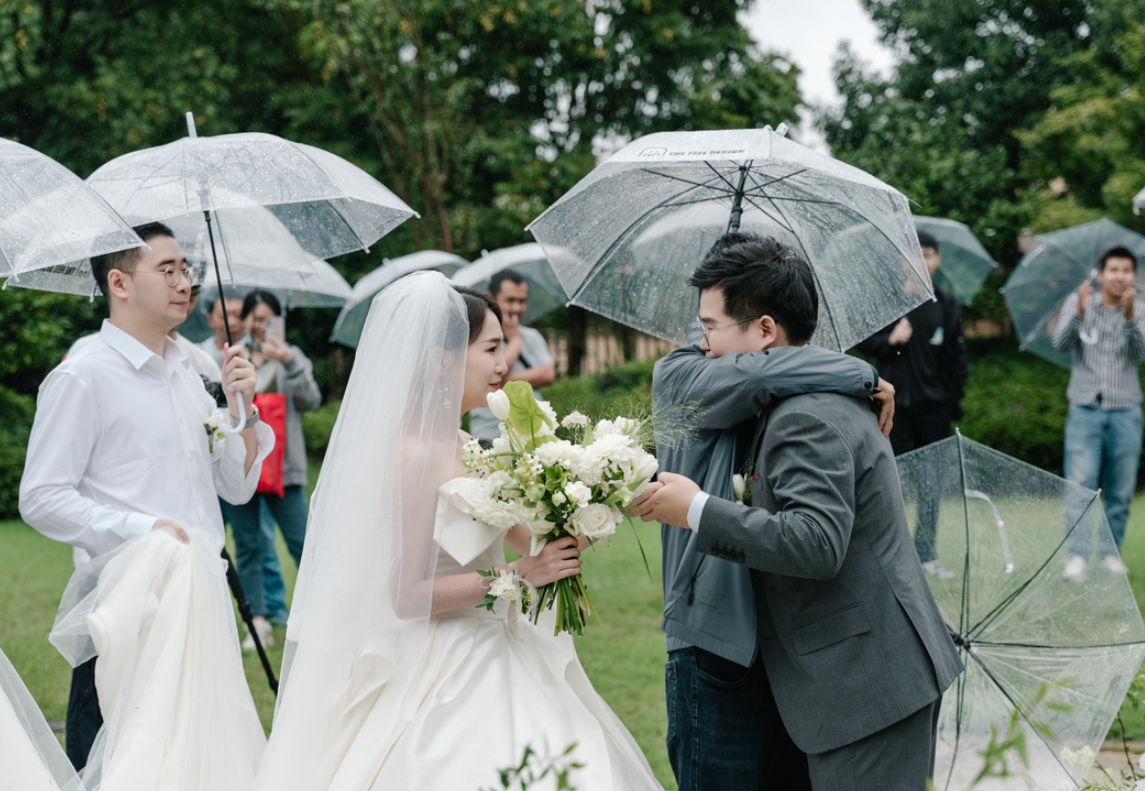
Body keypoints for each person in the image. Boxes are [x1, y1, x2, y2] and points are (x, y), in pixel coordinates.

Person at [255, 272, 663, 791]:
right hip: (443, 656)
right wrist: (516, 576)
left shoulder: (465, 442)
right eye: (491, 348)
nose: (503, 363)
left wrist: (601, 495)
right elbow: (404, 597)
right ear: (440, 359)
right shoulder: (413, 454)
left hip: (502, 638)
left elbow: (528, 539)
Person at [632, 235, 962, 791]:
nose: (702, 342)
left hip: (865, 684)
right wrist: (861, 374)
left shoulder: (805, 415)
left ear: (765, 329)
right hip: (824, 669)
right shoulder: (771, 393)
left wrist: (696, 509)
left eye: (710, 326)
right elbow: (756, 377)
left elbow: (815, 543)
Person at [19, 222, 274, 778]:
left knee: (202, 756)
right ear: (119, 282)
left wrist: (243, 409)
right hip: (122, 600)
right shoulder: (83, 376)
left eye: (187, 270)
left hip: (201, 596)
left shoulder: (193, 372)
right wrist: (145, 529)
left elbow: (235, 486)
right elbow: (40, 497)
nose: (185, 282)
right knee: (115, 758)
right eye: (168, 269)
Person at [856, 231, 968, 574]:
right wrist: (890, 339)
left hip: (935, 408)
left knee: (931, 485)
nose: (921, 260)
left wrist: (953, 401)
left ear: (937, 260)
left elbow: (957, 358)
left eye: (929, 254)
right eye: (914, 254)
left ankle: (927, 554)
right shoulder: (888, 302)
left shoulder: (946, 305)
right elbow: (863, 340)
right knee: (890, 482)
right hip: (894, 408)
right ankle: (893, 555)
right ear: (904, 261)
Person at [228, 290, 321, 648]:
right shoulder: (235, 356)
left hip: (286, 468)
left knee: (304, 544)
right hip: (247, 465)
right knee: (249, 545)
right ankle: (259, 623)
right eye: (256, 318)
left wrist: (289, 363)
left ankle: (323, 611)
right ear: (246, 319)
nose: (262, 326)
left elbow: (310, 400)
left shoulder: (292, 357)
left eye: (270, 319)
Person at [1052, 246, 1145, 581]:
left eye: (1126, 270)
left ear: (1132, 275)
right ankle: (1077, 557)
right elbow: (1060, 346)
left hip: (1126, 410)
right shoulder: (1079, 303)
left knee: (1120, 490)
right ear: (1101, 273)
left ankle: (1111, 555)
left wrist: (1132, 319)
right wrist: (1077, 312)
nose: (1120, 276)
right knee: (1079, 487)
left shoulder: (1140, 307)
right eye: (1114, 270)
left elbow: (1142, 353)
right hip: (1084, 410)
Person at [468, 269, 556, 443]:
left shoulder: (532, 336)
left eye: (522, 301)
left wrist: (506, 382)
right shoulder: (477, 337)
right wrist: (515, 341)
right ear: (492, 297)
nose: (516, 307)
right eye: (510, 300)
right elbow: (494, 373)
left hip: (532, 434)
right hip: (489, 436)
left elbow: (548, 374)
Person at [199, 291, 245, 368]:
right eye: (223, 316)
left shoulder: (257, 353)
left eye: (238, 316)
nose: (231, 322)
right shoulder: (199, 354)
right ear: (210, 320)